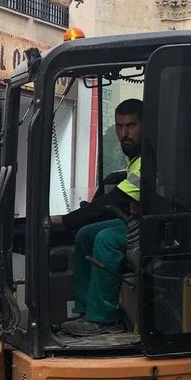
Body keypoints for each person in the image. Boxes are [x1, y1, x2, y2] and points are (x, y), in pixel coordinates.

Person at [59, 99, 144, 337]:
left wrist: (65, 221)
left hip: (158, 227)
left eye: (131, 126)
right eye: (119, 126)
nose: (124, 133)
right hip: (140, 220)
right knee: (87, 234)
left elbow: (112, 202)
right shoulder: (135, 158)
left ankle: (105, 319)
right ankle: (87, 311)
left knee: (106, 239)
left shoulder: (148, 161)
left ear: (145, 125)